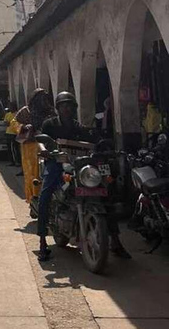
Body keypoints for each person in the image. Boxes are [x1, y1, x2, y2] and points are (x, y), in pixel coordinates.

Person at [36, 92, 130, 261]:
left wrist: (102, 144)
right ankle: (42, 241)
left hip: (77, 165)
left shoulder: (78, 126)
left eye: (70, 105)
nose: (67, 108)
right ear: (58, 108)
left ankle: (115, 241)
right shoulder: (49, 124)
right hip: (56, 163)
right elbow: (41, 140)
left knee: (107, 192)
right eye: (64, 105)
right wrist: (44, 149)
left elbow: (92, 140)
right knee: (45, 194)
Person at [14, 89, 56, 201]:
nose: (43, 100)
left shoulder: (50, 111)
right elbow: (15, 123)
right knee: (33, 173)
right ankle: (33, 197)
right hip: (30, 146)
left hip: (48, 143)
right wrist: (24, 127)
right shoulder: (26, 111)